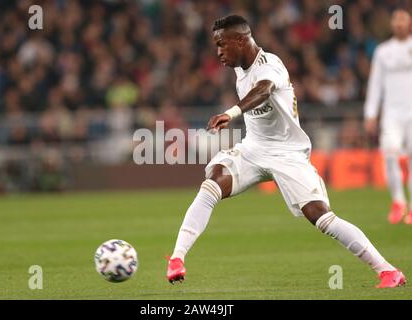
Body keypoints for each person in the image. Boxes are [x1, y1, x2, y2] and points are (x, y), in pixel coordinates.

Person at [166, 15, 406, 288]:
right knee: (213, 183)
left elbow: (264, 90)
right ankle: (177, 258)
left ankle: (387, 270)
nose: (218, 52)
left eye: (222, 44)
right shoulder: (238, 67)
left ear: (241, 40)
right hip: (254, 149)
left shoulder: (271, 65)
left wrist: (231, 112)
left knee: (321, 217)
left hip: (288, 153)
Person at [364, 8, 412, 224]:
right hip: (392, 114)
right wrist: (371, 114)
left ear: (409, 23)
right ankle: (398, 202)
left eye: (403, 20)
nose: (400, 24)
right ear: (392, 24)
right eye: (397, 20)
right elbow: (375, 84)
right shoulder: (383, 51)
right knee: (390, 155)